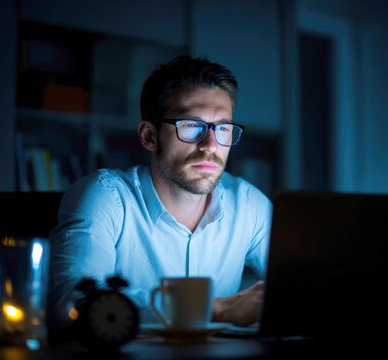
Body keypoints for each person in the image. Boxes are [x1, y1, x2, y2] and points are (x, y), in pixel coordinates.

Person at [47, 54, 272, 329]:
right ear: (149, 136)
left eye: (223, 128)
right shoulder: (105, 197)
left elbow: (305, 287)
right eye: (192, 126)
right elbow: (72, 302)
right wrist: (214, 309)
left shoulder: (249, 205)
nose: (210, 145)